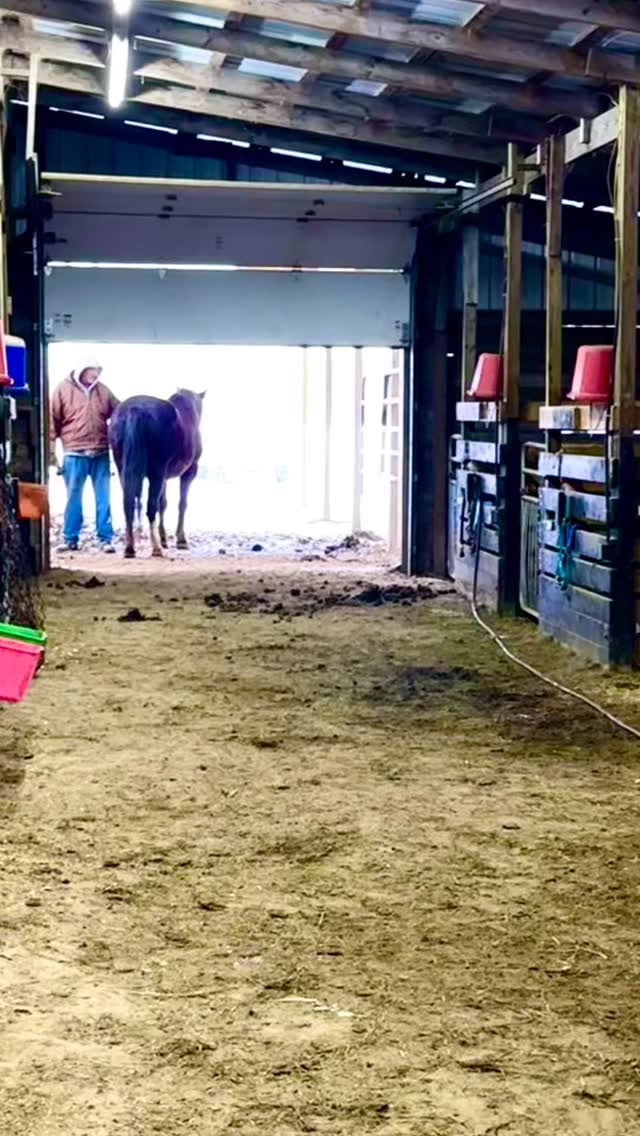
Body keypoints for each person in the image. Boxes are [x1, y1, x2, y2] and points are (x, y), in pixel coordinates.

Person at [50, 362, 120, 553]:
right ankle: (70, 538)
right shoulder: (62, 390)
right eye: (92, 371)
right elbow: (52, 421)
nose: (96, 375)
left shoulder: (103, 391)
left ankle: (105, 539)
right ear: (81, 369)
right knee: (73, 498)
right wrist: (51, 453)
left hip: (100, 453)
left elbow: (119, 412)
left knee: (103, 498)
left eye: (98, 371)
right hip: (74, 453)